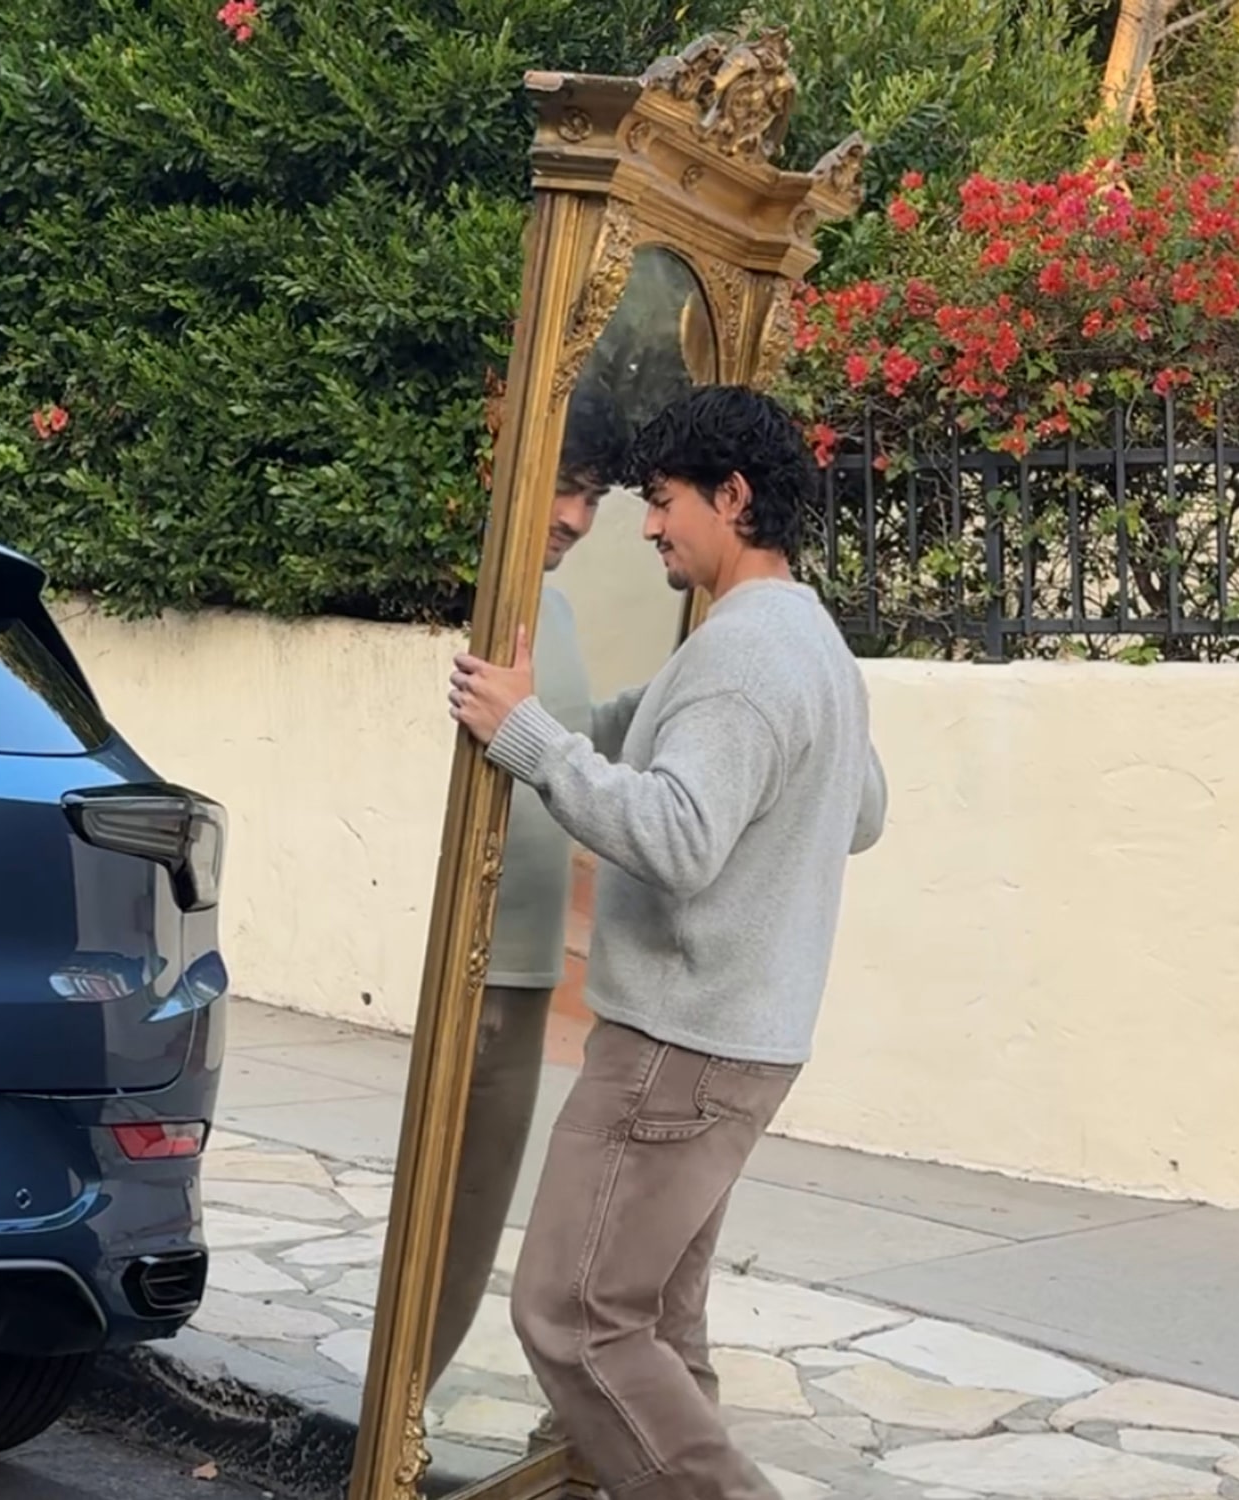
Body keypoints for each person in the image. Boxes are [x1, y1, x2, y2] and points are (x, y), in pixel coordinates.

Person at [448, 385, 889, 1500]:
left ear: (732, 499)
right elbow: (860, 805)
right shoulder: (803, 639)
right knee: (655, 1328)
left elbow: (679, 835)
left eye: (662, 501)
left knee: (572, 1316)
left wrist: (535, 745)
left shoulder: (743, 657)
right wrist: (560, 718)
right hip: (740, 1043)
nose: (645, 525)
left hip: (674, 1053)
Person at [426, 388, 628, 1384]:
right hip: (473, 966)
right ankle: (393, 1433)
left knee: (467, 1223)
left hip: (516, 966)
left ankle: (397, 1432)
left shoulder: (542, 602)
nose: (578, 520)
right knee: (449, 1225)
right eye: (566, 488)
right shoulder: (481, 591)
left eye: (592, 497)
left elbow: (567, 726)